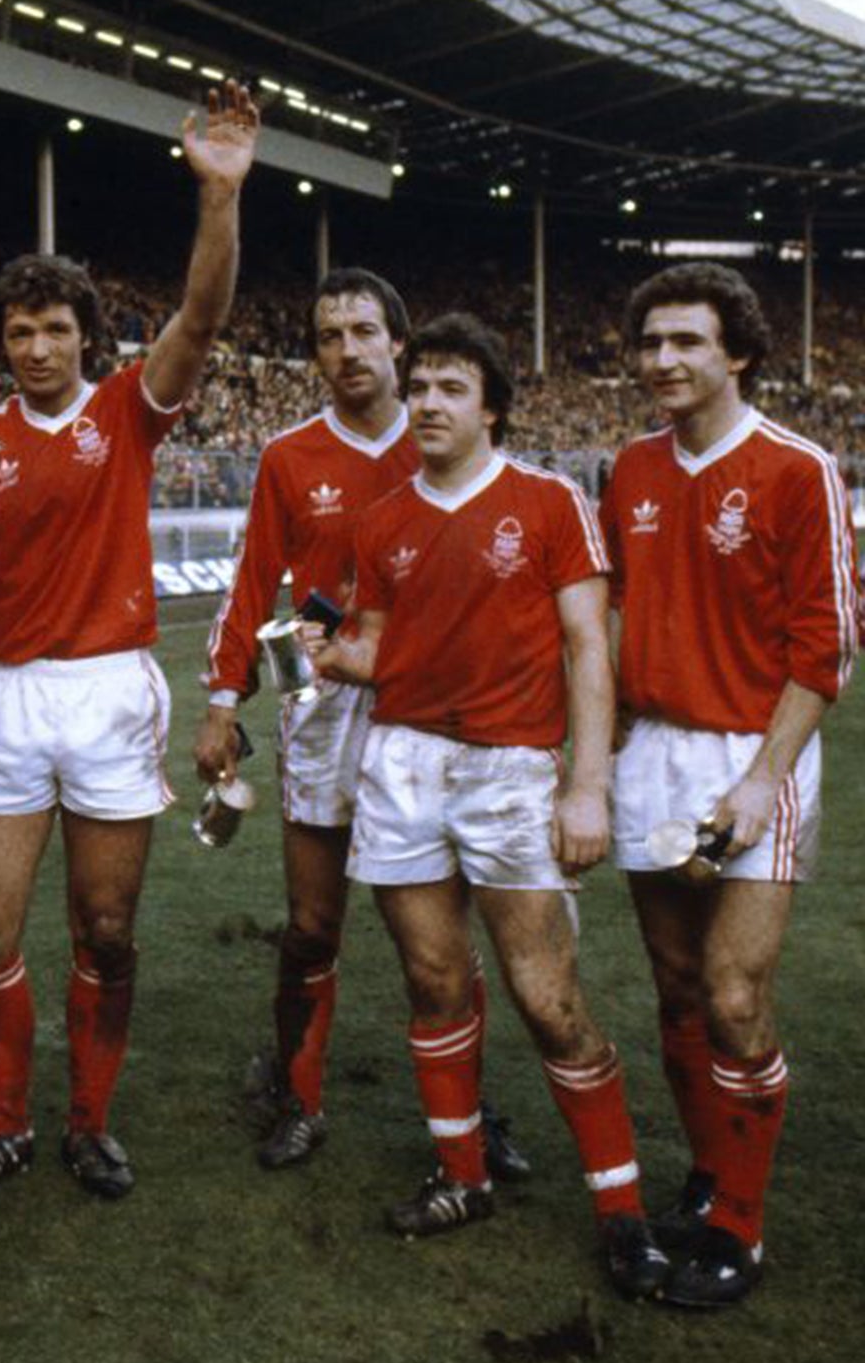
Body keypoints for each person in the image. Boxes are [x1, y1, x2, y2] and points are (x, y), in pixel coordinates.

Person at [306, 314, 669, 1300]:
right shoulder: (380, 521)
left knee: (547, 1003)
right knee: (432, 983)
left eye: (449, 388)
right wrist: (338, 657)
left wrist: (583, 782)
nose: (424, 402)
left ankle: (619, 1208)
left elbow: (586, 649)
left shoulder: (547, 503)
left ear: (492, 409)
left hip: (511, 772)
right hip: (401, 768)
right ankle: (460, 1177)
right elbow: (379, 643)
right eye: (417, 385)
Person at [0, 83, 256, 1203]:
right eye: (16, 333)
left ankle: (85, 1121)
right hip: (8, 695)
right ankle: (2, 1122)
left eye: (53, 330)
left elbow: (203, 319)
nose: (34, 347)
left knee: (107, 927)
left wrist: (216, 196)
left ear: (87, 336)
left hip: (110, 690)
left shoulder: (124, 408)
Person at [194, 271, 529, 1181]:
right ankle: (299, 1096)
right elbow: (251, 579)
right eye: (328, 334)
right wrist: (224, 698)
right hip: (325, 709)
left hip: (430, 710)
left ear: (399, 343)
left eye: (363, 331)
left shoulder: (441, 444)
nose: (346, 349)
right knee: (311, 924)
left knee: (444, 943)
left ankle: (475, 1112)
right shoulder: (290, 456)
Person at [600, 263, 855, 1307]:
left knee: (734, 993)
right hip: (649, 750)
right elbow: (608, 623)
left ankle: (738, 1230)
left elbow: (824, 646)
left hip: (752, 751)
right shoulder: (625, 469)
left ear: (736, 352)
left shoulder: (797, 469)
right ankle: (707, 1179)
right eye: (649, 342)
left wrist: (761, 779)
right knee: (674, 985)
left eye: (684, 343)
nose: (660, 361)